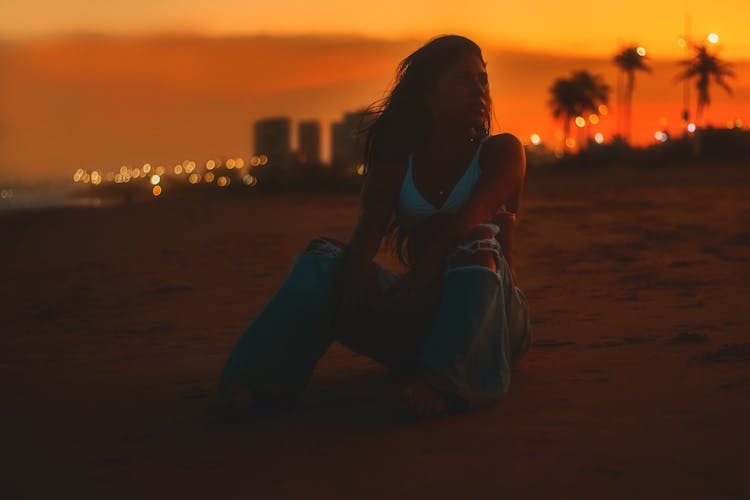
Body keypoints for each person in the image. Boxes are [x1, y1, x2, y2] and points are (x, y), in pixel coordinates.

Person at [218, 34, 532, 419]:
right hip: (422, 319)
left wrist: (413, 285)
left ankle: (448, 384)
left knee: (476, 241)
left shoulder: (501, 152)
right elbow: (365, 236)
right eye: (463, 79)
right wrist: (353, 289)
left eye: (482, 79)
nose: (479, 89)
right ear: (428, 95)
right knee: (326, 259)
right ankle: (257, 381)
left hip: (493, 325)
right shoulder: (397, 160)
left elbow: (469, 218)